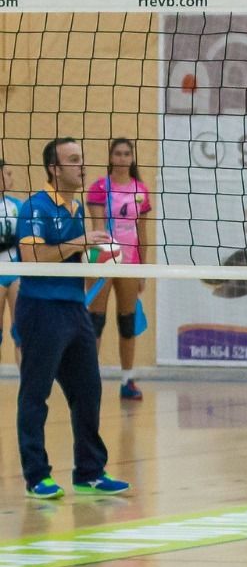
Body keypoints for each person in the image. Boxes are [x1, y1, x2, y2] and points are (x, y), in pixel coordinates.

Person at [14, 137, 129, 499]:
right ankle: (37, 477)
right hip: (41, 309)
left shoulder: (76, 208)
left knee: (88, 391)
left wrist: (99, 257)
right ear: (54, 168)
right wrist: (80, 243)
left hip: (73, 308)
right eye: (74, 160)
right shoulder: (36, 208)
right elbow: (33, 259)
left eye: (82, 159)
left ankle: (90, 472)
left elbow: (74, 258)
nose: (82, 166)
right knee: (36, 394)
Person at [85, 137, 153, 400]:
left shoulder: (140, 189)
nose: (123, 158)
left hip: (130, 263)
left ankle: (127, 381)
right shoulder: (100, 187)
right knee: (95, 321)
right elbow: (98, 229)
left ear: (132, 158)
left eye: (127, 154)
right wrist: (100, 264)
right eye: (118, 153)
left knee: (127, 322)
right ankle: (89, 379)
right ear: (111, 157)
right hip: (104, 257)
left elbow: (142, 232)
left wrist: (143, 269)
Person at [0, 157, 20, 363]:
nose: (10, 177)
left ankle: (26, 388)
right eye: (7, 173)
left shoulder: (17, 206)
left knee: (20, 332)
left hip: (15, 271)